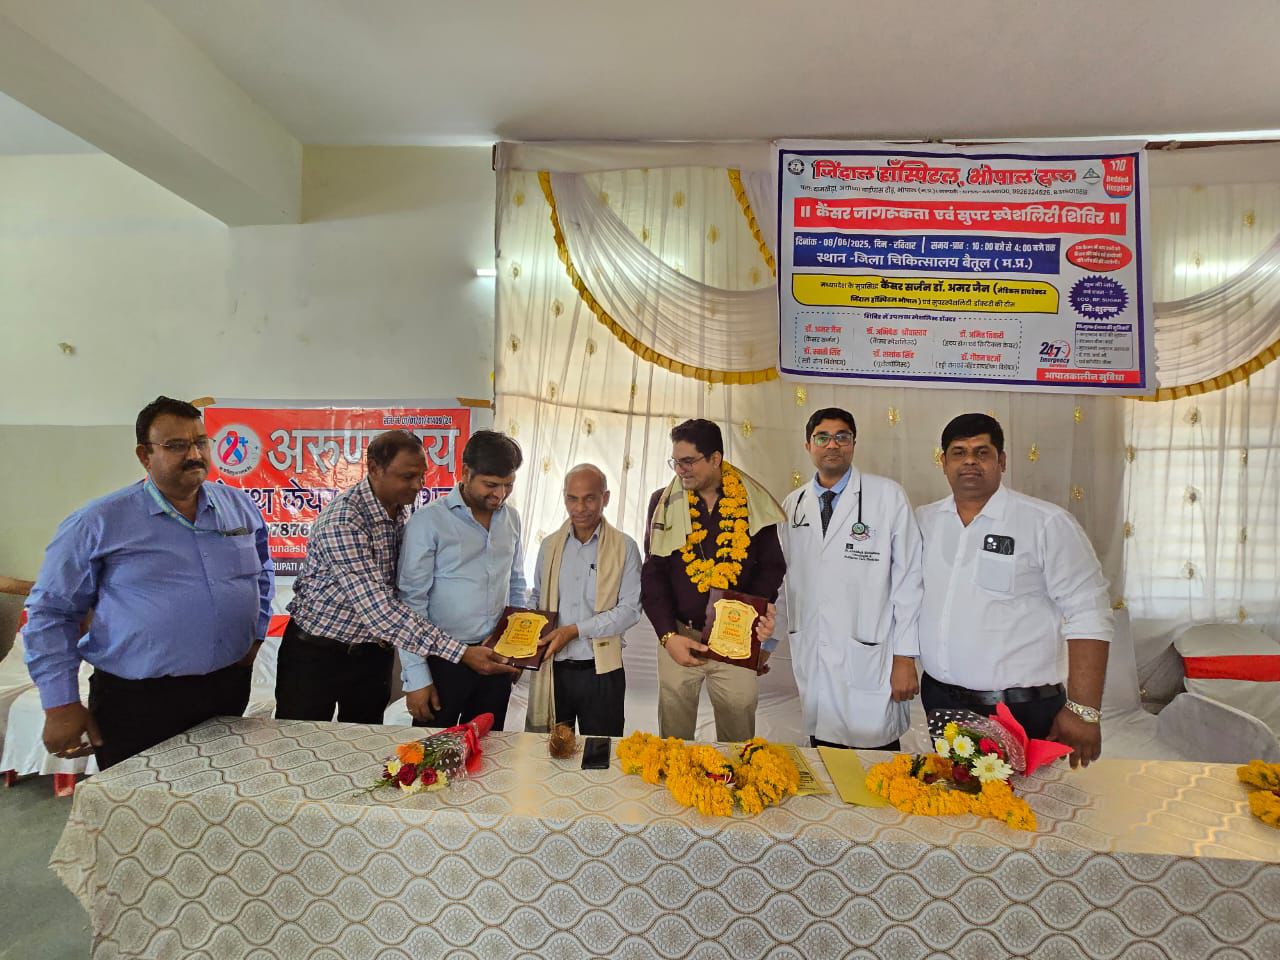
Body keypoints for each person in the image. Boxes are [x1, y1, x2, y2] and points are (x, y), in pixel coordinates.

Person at [24, 396, 274, 769]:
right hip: (138, 702)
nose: (194, 454)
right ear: (145, 455)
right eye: (176, 445)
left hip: (226, 690)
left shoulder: (239, 506)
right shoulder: (97, 522)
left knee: (218, 795)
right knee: (141, 802)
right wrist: (60, 703)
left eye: (200, 442)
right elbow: (51, 612)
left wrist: (255, 635)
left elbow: (263, 572)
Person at [279, 430, 516, 724]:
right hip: (318, 653)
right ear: (375, 469)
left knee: (366, 742)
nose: (418, 485)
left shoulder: (403, 507)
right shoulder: (344, 521)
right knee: (303, 740)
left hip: (373, 654)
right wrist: (460, 654)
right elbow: (382, 611)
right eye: (408, 476)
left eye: (422, 475)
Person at [917, 413, 1112, 767]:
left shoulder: (1045, 523)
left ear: (1002, 461)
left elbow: (1089, 612)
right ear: (943, 462)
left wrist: (1084, 710)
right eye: (959, 452)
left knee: (1028, 800)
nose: (970, 461)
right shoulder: (923, 522)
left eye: (982, 452)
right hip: (942, 704)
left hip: (1023, 711)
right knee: (954, 797)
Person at [779, 407, 922, 751]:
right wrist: (766, 644)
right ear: (808, 445)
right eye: (823, 437)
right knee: (824, 755)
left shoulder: (887, 496)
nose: (833, 445)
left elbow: (909, 581)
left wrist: (905, 658)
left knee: (877, 762)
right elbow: (785, 583)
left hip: (870, 652)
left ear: (854, 443)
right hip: (814, 650)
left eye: (842, 437)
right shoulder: (793, 505)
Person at [640, 418, 784, 742]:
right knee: (674, 741)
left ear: (715, 458)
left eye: (688, 461)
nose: (680, 470)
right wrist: (667, 636)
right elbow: (653, 575)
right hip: (680, 635)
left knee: (739, 738)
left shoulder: (751, 502)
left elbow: (772, 567)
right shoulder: (662, 503)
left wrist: (751, 615)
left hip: (734, 638)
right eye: (675, 462)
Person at [397, 430, 527, 730]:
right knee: (433, 752)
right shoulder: (429, 521)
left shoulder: (511, 519)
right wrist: (417, 677)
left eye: (508, 485)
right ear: (465, 472)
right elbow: (411, 603)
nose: (500, 495)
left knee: (488, 747)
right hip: (442, 660)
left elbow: (516, 585)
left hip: (495, 656)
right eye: (491, 485)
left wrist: (517, 652)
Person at [524, 464, 642, 736]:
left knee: (599, 751)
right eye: (572, 498)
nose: (580, 508)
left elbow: (629, 610)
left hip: (602, 670)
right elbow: (538, 598)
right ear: (564, 498)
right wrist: (520, 637)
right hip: (553, 669)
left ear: (605, 498)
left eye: (589, 498)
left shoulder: (625, 547)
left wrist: (575, 631)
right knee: (551, 751)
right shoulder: (549, 545)